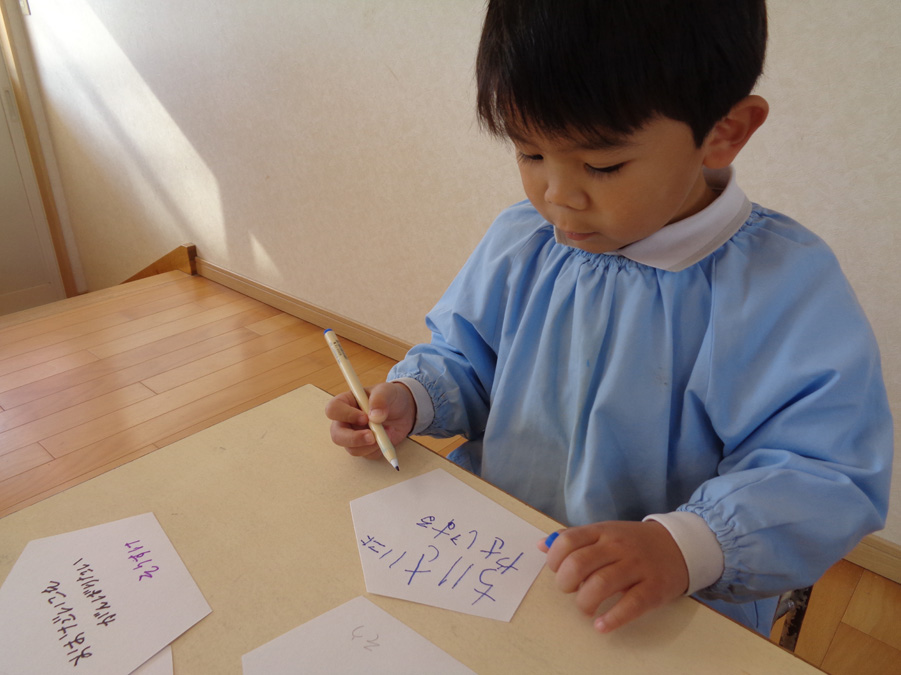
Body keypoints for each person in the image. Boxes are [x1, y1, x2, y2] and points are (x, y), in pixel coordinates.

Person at [326, 0, 893, 636]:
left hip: (663, 606)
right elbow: (468, 360)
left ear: (724, 131)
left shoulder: (780, 285)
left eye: (601, 165)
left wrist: (684, 546)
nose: (557, 196)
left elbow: (823, 472)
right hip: (495, 558)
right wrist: (413, 398)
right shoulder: (523, 239)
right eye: (529, 153)